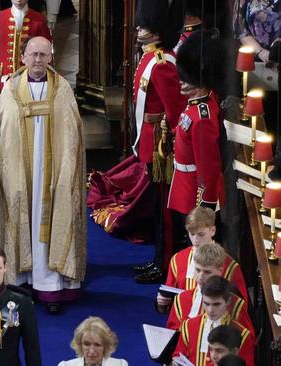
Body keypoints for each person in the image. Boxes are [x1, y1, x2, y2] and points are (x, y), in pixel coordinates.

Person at [0, 35, 85, 313]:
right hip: (20, 170)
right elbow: (3, 130)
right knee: (20, 210)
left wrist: (65, 171)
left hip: (53, 170)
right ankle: (21, 281)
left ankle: (51, 286)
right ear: (22, 57)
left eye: (43, 55)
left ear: (51, 58)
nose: (37, 60)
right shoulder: (11, 88)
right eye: (33, 54)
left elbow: (71, 135)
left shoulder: (62, 89)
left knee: (52, 217)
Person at [130, 0, 187, 285]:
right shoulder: (149, 58)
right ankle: (157, 259)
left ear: (157, 31)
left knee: (165, 211)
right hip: (149, 142)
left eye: (145, 25)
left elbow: (174, 112)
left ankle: (164, 265)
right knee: (157, 208)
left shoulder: (162, 63)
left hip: (161, 147)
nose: (139, 27)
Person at [168, 30, 224, 248]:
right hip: (182, 186)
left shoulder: (203, 116)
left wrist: (204, 208)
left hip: (192, 195)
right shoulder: (195, 106)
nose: (181, 82)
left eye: (187, 78)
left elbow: (208, 168)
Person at [157, 207, 248, 312]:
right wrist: (162, 302)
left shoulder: (229, 266)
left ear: (212, 230)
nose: (195, 240)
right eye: (192, 234)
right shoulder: (178, 259)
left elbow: (240, 307)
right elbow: (170, 294)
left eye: (201, 234)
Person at [173, 276, 255, 366]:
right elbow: (178, 357)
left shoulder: (243, 334)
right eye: (206, 303)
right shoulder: (188, 325)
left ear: (228, 301)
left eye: (216, 304)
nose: (210, 310)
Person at [166, 247, 251, 332]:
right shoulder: (181, 299)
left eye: (207, 272)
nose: (200, 277)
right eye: (198, 270)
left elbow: (246, 340)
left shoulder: (236, 305)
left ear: (220, 271)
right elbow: (172, 336)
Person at [0, 0, 51, 95]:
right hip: (4, 80)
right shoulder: (0, 18)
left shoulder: (39, 19)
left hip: (31, 80)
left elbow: (46, 49)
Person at [58, 316, 128, 366]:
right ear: (80, 345)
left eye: (97, 345)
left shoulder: (120, 364)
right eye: (87, 344)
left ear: (106, 346)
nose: (91, 351)